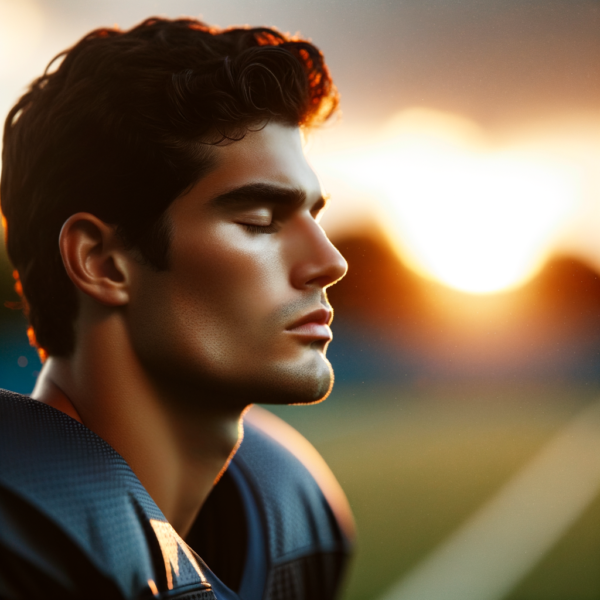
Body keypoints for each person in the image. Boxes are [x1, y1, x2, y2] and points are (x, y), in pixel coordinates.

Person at [0, 16, 354, 600]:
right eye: (259, 222)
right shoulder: (20, 536)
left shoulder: (288, 512)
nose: (330, 261)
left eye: (314, 217)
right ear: (103, 261)